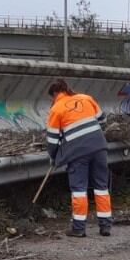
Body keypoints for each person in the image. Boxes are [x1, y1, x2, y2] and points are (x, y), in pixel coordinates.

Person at [45, 79, 113, 237]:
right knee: (102, 188)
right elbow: (102, 120)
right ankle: (105, 227)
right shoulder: (86, 98)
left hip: (77, 153)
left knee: (79, 190)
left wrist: (54, 157)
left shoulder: (56, 108)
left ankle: (79, 229)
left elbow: (53, 139)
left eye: (51, 98)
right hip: (99, 148)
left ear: (55, 94)